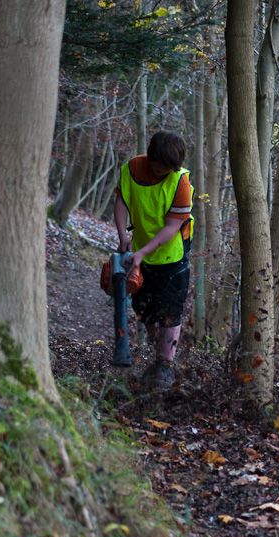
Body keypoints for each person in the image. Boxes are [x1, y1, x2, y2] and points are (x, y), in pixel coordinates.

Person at [114, 130, 194, 391]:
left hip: (172, 254)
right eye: (161, 165)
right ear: (151, 157)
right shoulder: (132, 168)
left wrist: (143, 251)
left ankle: (165, 365)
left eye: (170, 167)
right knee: (144, 306)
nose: (164, 171)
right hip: (140, 249)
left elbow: (172, 227)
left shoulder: (180, 182)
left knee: (169, 310)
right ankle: (157, 354)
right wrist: (123, 234)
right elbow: (122, 202)